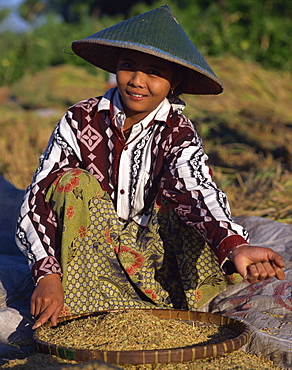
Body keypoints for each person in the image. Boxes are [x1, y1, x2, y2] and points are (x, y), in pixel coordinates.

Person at [16, 5, 285, 330]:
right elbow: (38, 198)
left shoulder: (177, 130)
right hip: (92, 249)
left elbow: (195, 190)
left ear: (175, 82)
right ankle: (93, 305)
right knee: (72, 182)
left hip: (155, 255)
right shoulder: (81, 118)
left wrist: (235, 246)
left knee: (184, 208)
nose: (137, 82)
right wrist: (47, 275)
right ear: (116, 66)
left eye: (154, 72)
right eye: (128, 66)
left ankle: (152, 301)